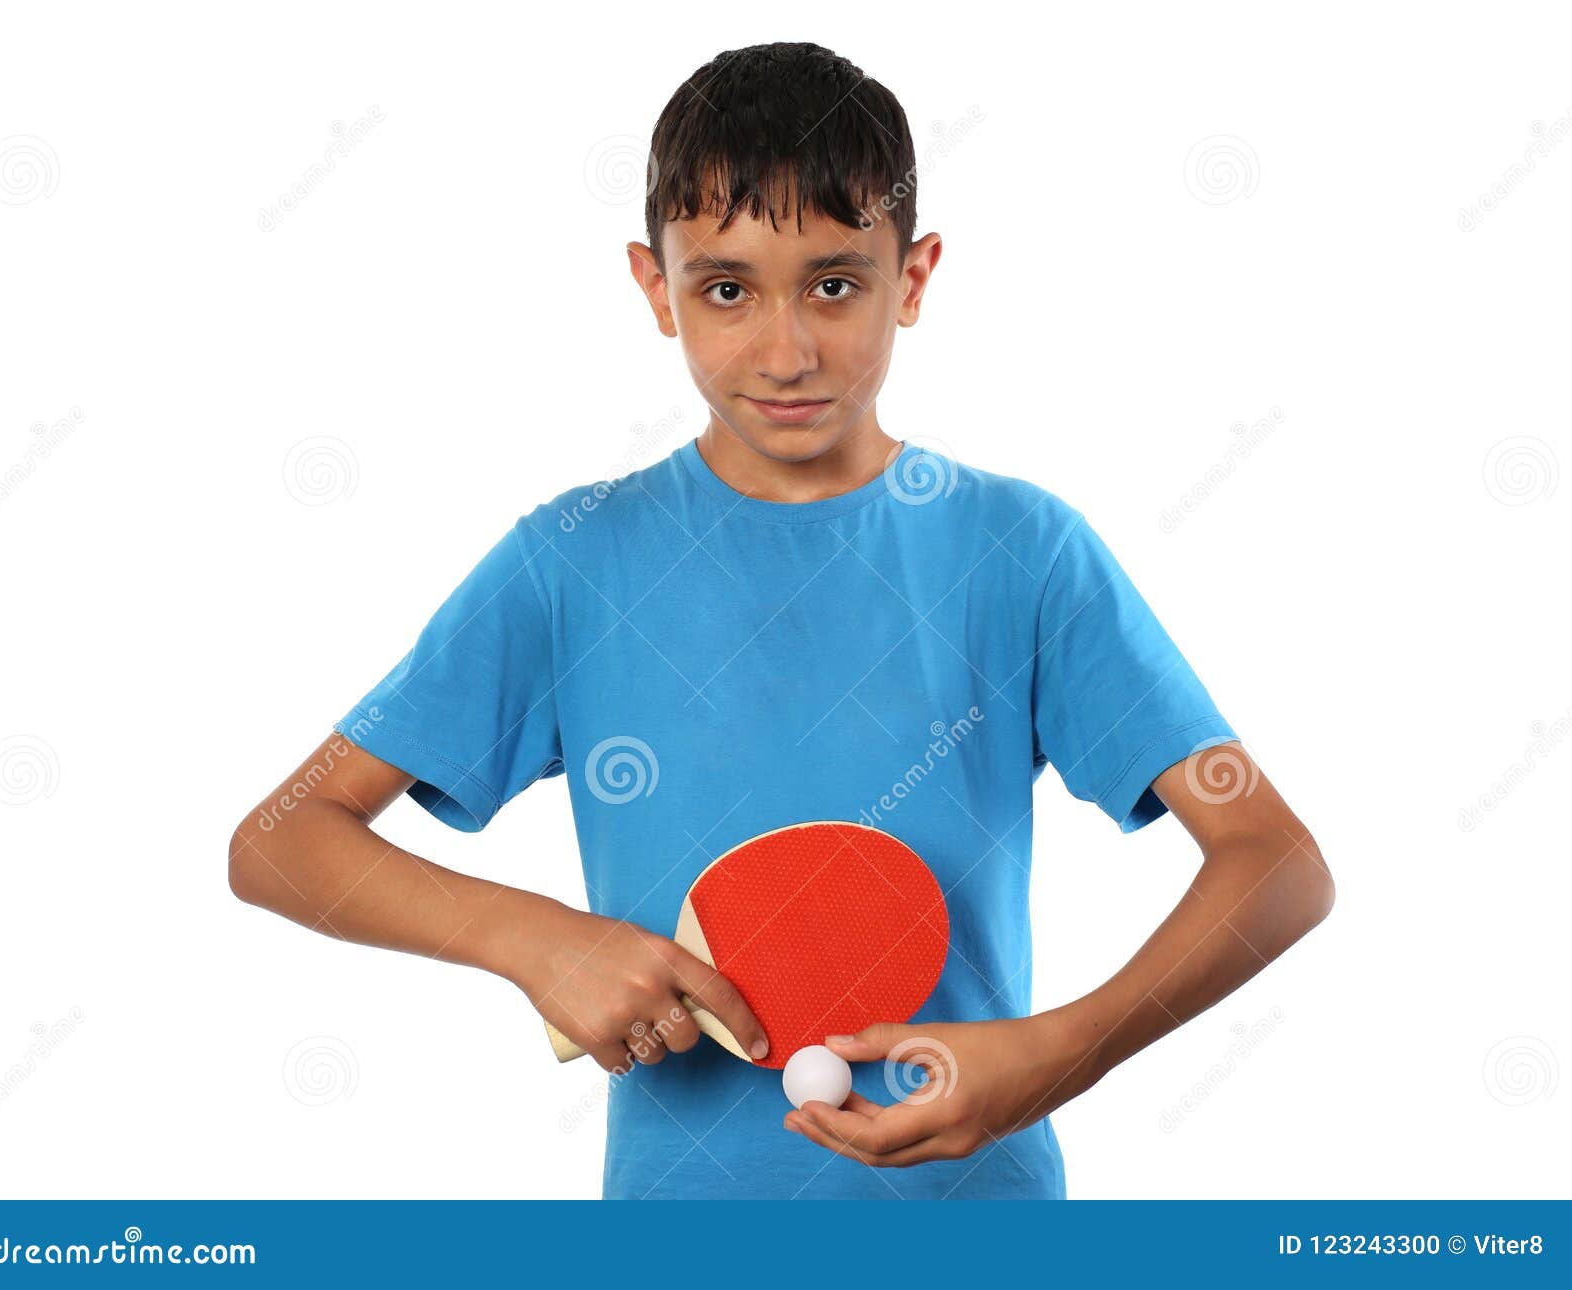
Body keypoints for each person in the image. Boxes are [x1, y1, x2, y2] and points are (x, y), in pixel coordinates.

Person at [228, 41, 1334, 1199]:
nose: (785, 349)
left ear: (914, 277)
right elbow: (284, 838)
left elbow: (1274, 862)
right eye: (725, 288)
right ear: (655, 290)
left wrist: (1060, 1054)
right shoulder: (570, 561)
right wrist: (533, 939)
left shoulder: (1021, 553)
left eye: (835, 283)